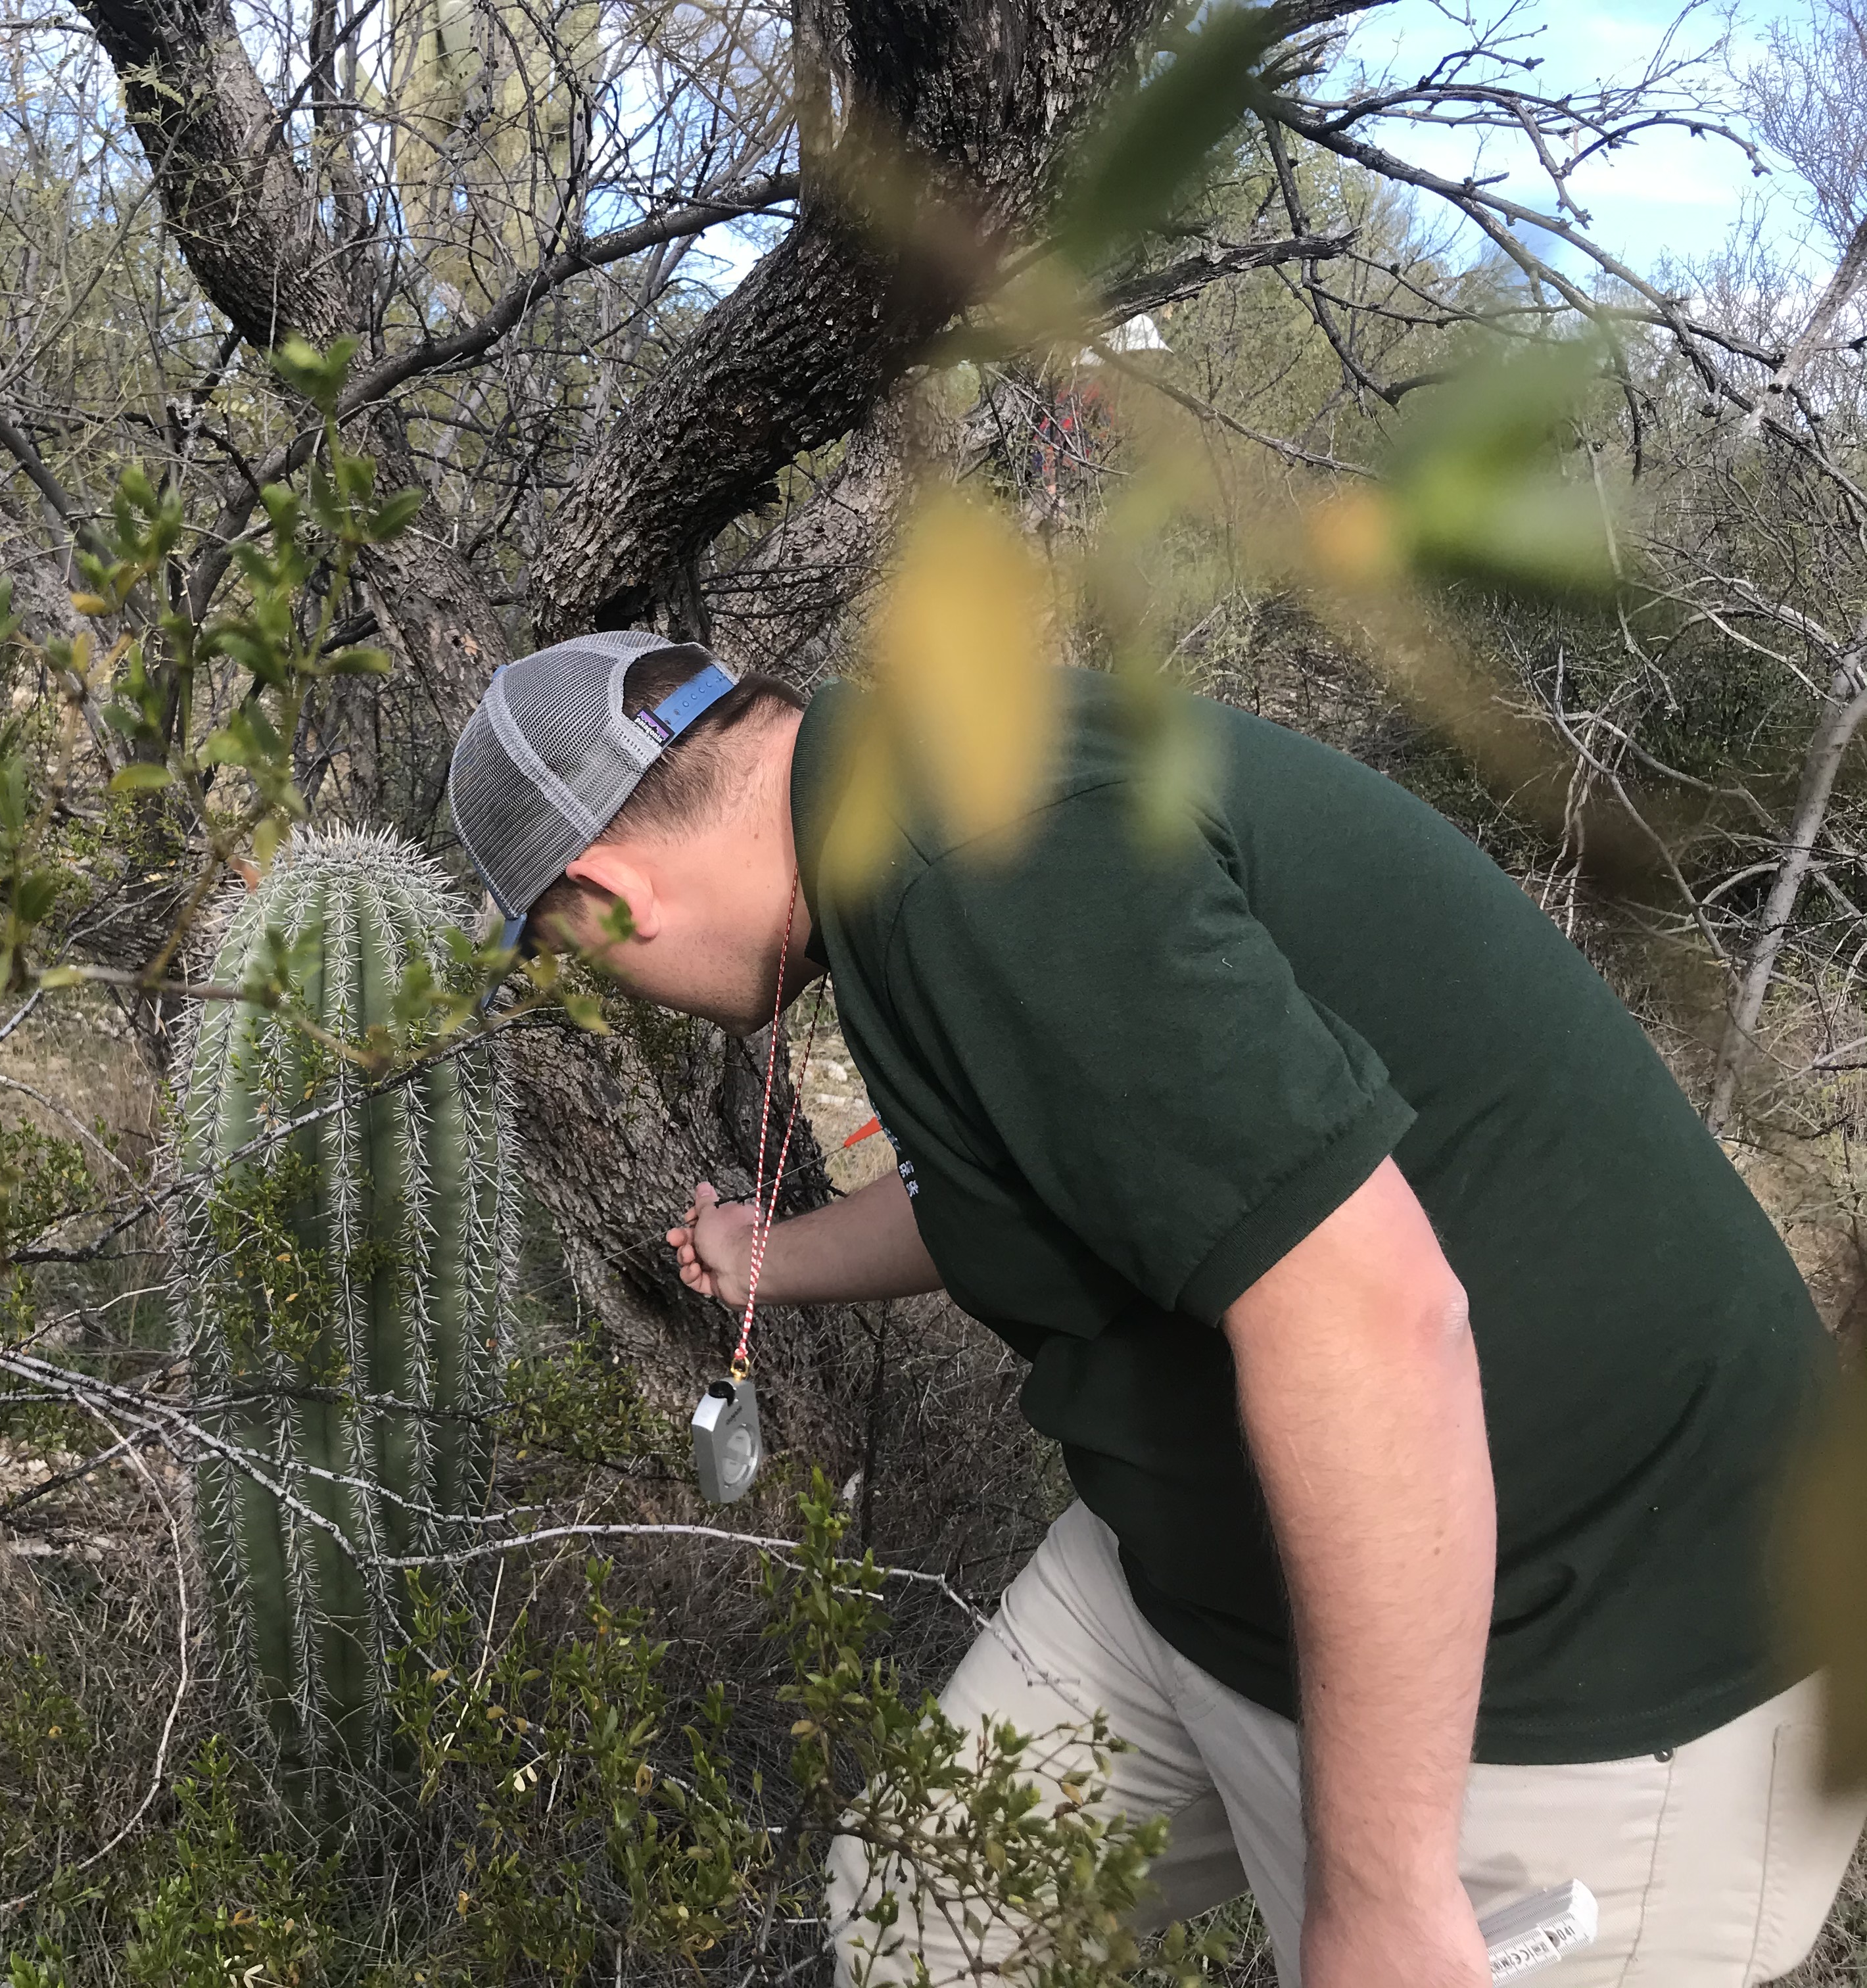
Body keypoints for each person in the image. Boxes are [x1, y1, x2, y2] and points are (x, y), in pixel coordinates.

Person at [442, 628, 1867, 1988]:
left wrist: (1377, 1903)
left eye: (576, 954)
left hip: (1579, 1656)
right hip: (1203, 1576)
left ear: (618, 894)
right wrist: (778, 1256)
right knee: (916, 1912)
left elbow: (1372, 1321)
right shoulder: (899, 817)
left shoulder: (985, 863)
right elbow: (1066, 1170)